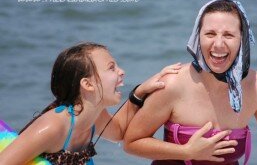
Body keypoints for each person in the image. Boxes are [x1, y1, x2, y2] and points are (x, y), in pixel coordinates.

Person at [124, 0, 257, 165]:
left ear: (242, 39)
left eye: (229, 35)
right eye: (210, 33)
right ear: (197, 37)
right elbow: (132, 142)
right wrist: (186, 152)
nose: (218, 44)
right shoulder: (173, 84)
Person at [0, 42, 237, 165]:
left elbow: (120, 132)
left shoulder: (93, 115)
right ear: (88, 84)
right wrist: (186, 151)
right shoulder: (55, 126)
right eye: (112, 68)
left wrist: (141, 91)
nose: (121, 72)